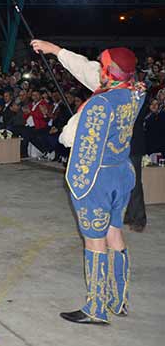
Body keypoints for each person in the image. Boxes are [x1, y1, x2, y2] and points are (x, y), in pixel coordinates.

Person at [31, 40, 143, 325]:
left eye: (102, 63)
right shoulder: (135, 91)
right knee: (114, 236)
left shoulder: (98, 105)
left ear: (109, 71)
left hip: (96, 180)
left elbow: (67, 138)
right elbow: (90, 72)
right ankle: (119, 300)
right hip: (122, 173)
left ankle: (96, 307)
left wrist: (78, 117)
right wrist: (55, 50)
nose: (98, 66)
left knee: (95, 243)